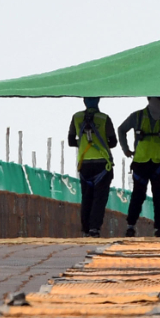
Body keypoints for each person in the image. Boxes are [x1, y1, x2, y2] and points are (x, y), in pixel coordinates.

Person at [118, 97, 160, 237]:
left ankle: (154, 227)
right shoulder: (143, 116)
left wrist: (127, 150)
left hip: (152, 162)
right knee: (143, 196)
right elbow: (121, 130)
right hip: (148, 162)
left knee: (152, 197)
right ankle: (137, 226)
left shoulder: (147, 117)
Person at [68, 97, 117, 237]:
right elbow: (113, 142)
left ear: (84, 101)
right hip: (102, 164)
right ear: (98, 101)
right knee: (99, 198)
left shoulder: (76, 117)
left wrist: (84, 143)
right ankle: (94, 228)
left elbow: (71, 141)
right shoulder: (104, 118)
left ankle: (85, 228)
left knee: (87, 196)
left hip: (84, 163)